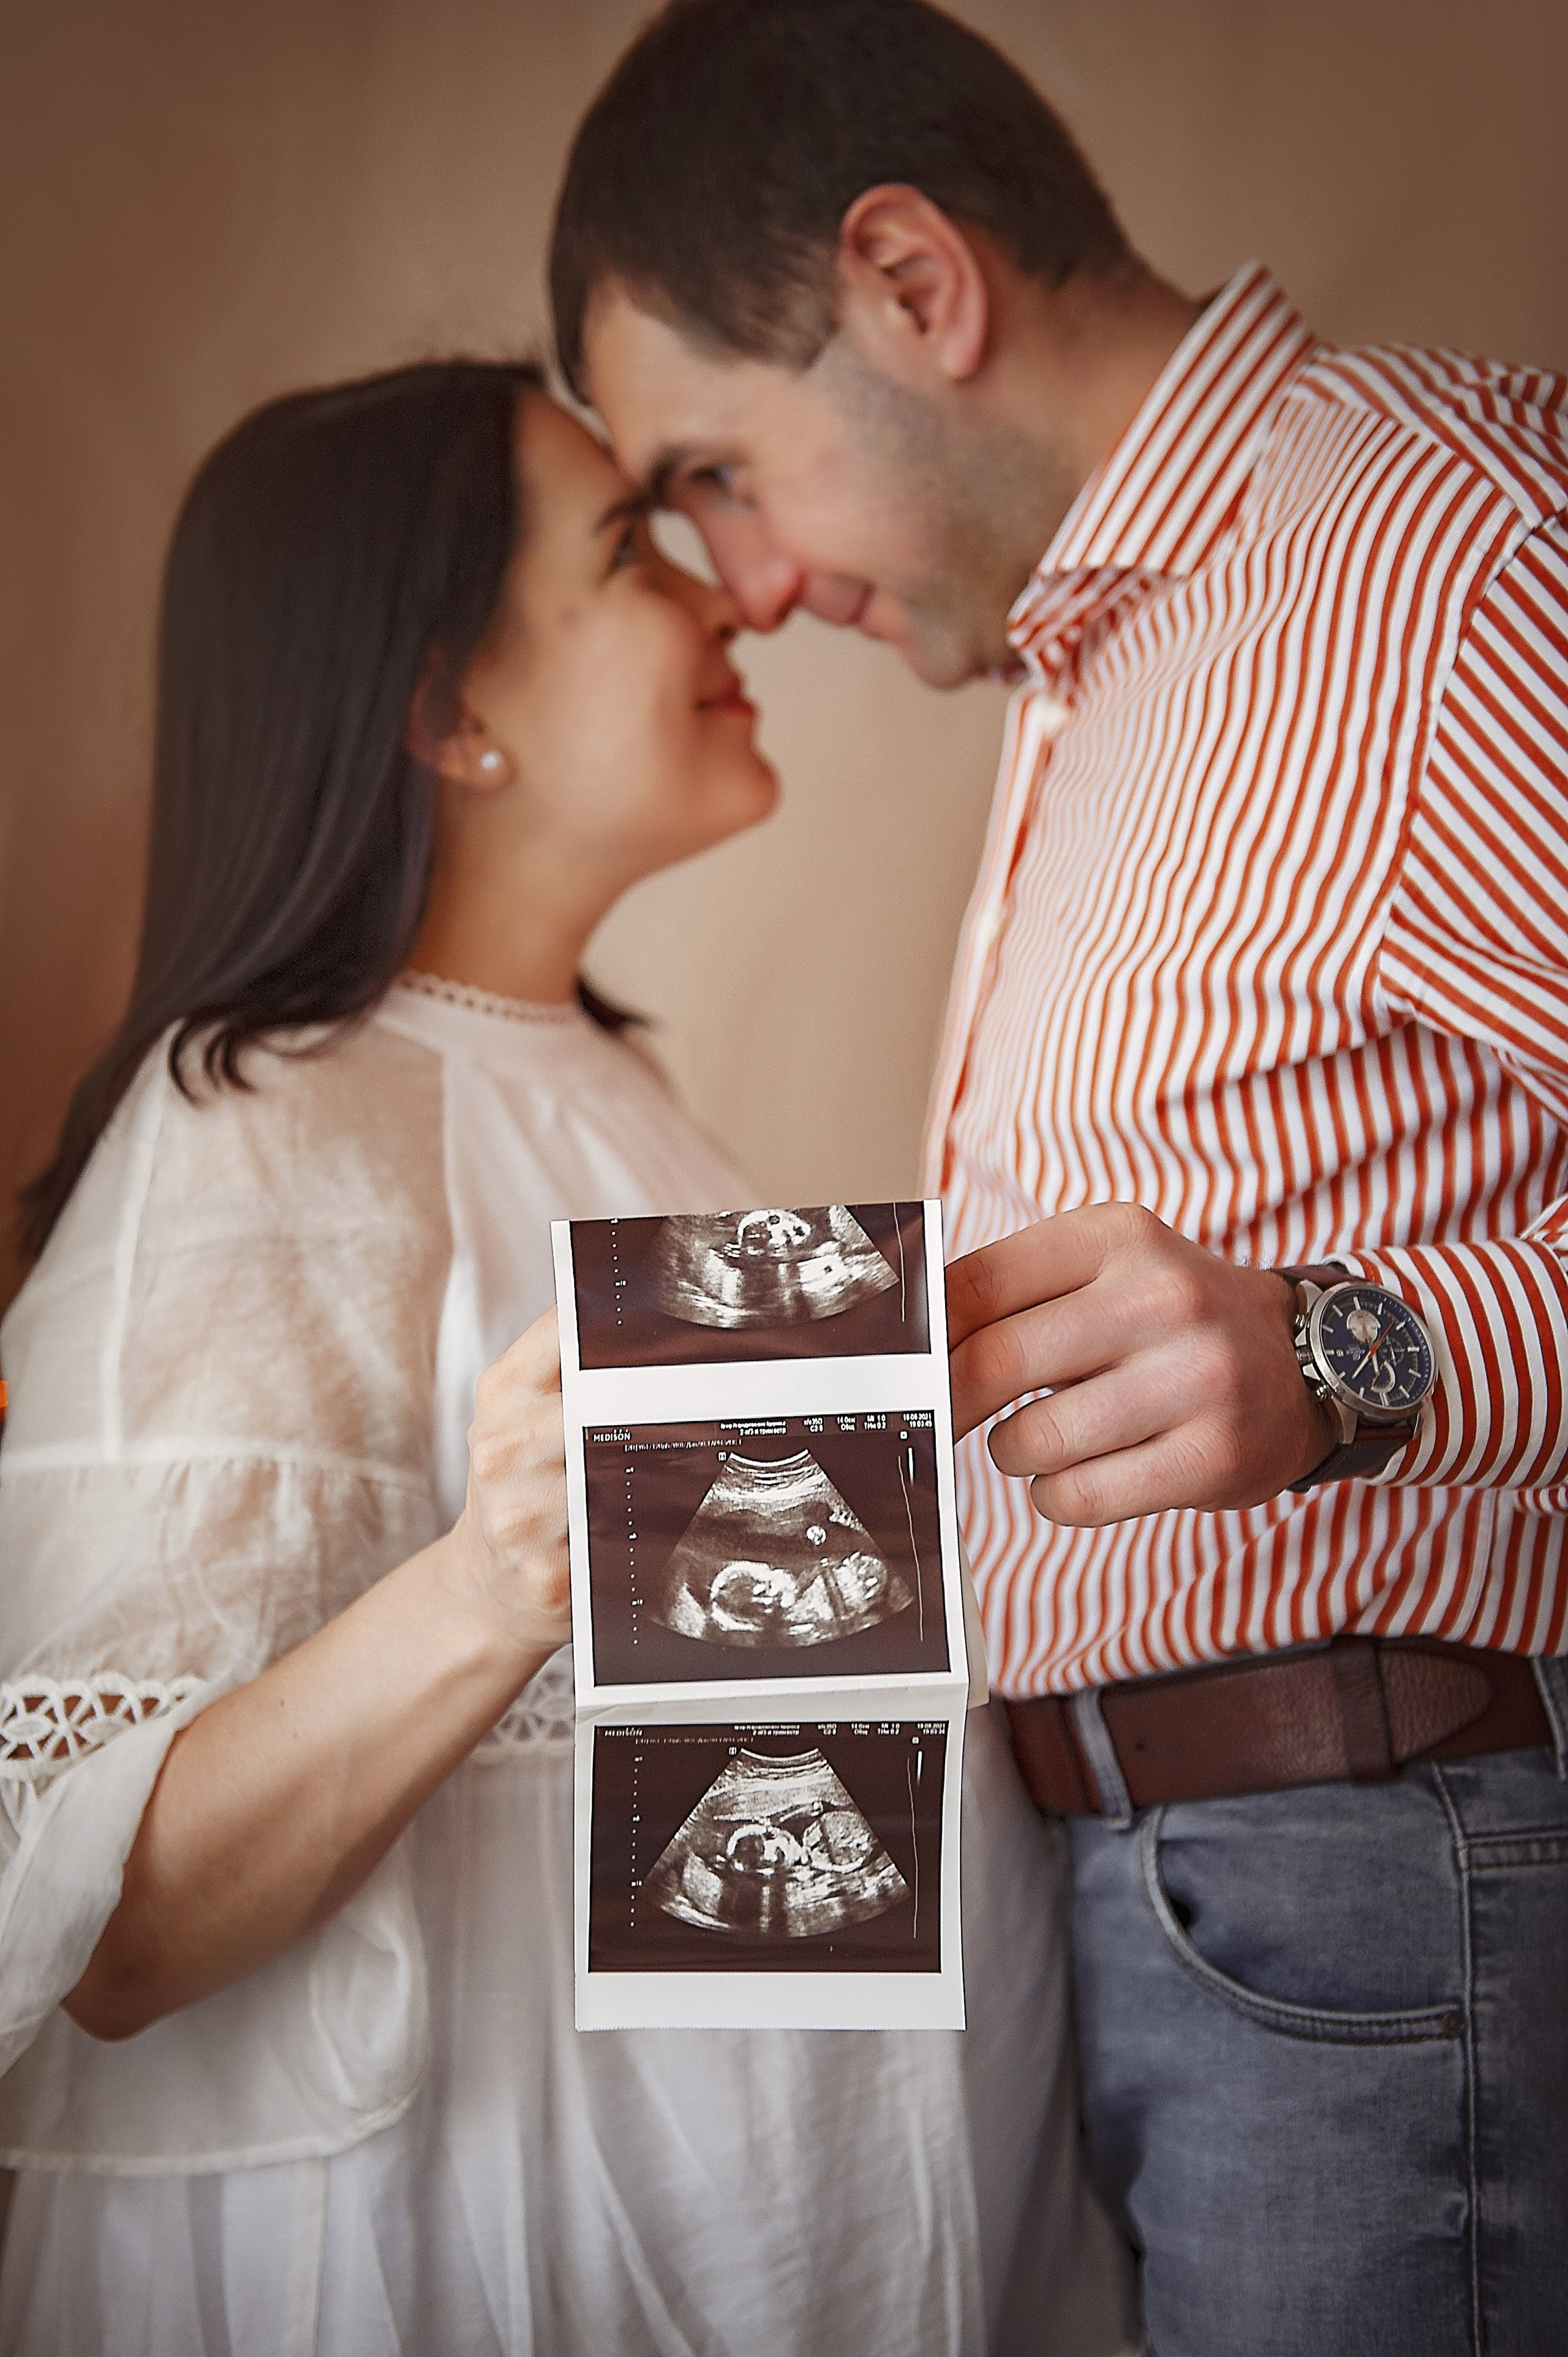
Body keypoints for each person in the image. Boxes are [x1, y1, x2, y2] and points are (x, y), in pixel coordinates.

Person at [548, 2, 1568, 2351]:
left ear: (913, 282)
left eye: (718, 470)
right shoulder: (1092, 668)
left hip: (1370, 1888)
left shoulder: (1435, 548)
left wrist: (1355, 1349)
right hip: (1162, 1909)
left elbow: (1327, 1340)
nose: (749, 583)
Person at [0, 361, 1137, 2355]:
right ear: (447, 709)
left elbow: (765, 1861)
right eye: (632, 552)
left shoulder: (628, 1107)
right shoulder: (258, 1121)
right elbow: (98, 1922)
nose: (728, 595)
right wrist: (497, 1580)